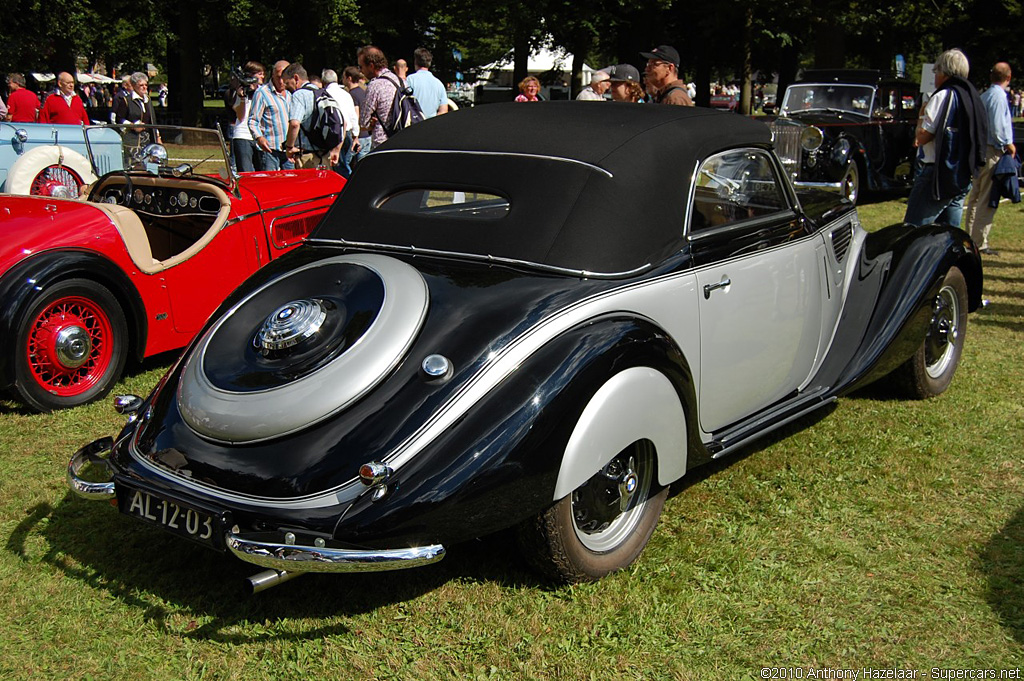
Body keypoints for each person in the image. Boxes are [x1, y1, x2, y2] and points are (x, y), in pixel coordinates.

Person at [904, 49, 988, 228]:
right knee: (949, 234)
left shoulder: (942, 96)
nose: (935, 76)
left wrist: (920, 117)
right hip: (962, 174)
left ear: (944, 72)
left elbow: (923, 137)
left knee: (913, 230)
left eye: (937, 71)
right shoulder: (971, 97)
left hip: (937, 174)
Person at [962, 62, 1016, 255]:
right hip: (993, 150)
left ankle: (969, 236)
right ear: (1008, 78)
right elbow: (998, 127)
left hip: (979, 150)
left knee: (975, 196)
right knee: (986, 198)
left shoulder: (983, 95)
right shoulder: (999, 97)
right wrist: (1009, 144)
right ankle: (980, 241)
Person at [282, 62, 342, 169]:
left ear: (296, 78)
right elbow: (343, 123)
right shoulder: (323, 93)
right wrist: (336, 149)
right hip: (325, 156)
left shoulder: (299, 95)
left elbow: (295, 123)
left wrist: (289, 147)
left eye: (287, 83)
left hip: (307, 157)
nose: (285, 87)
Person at [249, 60, 293, 170]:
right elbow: (253, 121)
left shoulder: (290, 94)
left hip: (288, 150)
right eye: (278, 77)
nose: (281, 81)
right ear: (272, 74)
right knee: (270, 183)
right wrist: (260, 138)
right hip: (270, 150)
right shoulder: (262, 93)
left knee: (290, 184)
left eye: (284, 77)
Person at [358, 45, 400, 147]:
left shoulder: (375, 85)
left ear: (371, 66)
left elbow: (363, 122)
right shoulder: (400, 81)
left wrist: (371, 124)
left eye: (361, 66)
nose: (360, 71)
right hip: (400, 140)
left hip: (381, 145)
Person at [322, 68, 359, 177]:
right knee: (344, 163)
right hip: (347, 133)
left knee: (338, 166)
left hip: (333, 134)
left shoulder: (325, 94)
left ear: (324, 82)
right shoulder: (346, 94)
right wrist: (355, 136)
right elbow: (353, 116)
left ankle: (346, 187)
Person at [229, 61, 265, 173]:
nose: (262, 76)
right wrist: (243, 98)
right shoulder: (240, 90)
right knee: (245, 172)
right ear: (250, 75)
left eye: (263, 73)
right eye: (259, 73)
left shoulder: (264, 91)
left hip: (260, 136)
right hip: (243, 135)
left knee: (262, 173)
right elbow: (240, 115)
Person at [406, 47, 448, 118]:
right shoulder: (439, 83)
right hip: (431, 125)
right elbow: (443, 110)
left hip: (415, 124)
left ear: (415, 61)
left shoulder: (410, 80)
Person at [344, 66, 371, 163]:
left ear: (349, 78)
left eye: (343, 77)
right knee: (364, 166)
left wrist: (355, 135)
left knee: (345, 164)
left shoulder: (352, 95)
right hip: (367, 135)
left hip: (358, 137)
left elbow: (356, 115)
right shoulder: (363, 91)